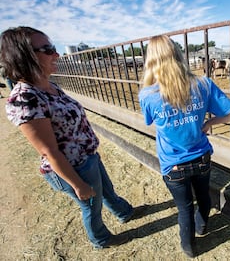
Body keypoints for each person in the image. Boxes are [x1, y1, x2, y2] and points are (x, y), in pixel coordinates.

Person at [1, 26, 140, 249]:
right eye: (47, 49)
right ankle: (101, 239)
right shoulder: (26, 98)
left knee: (107, 189)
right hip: (73, 168)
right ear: (24, 56)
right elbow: (49, 151)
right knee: (91, 205)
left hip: (87, 157)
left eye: (53, 47)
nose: (56, 54)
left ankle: (124, 212)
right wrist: (77, 184)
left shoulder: (48, 85)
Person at [139, 35, 230, 257]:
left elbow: (150, 122)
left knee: (184, 208)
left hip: (173, 164)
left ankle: (190, 248)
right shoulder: (203, 83)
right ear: (178, 54)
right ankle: (203, 227)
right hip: (201, 156)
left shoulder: (147, 94)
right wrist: (208, 123)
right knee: (203, 196)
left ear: (151, 61)